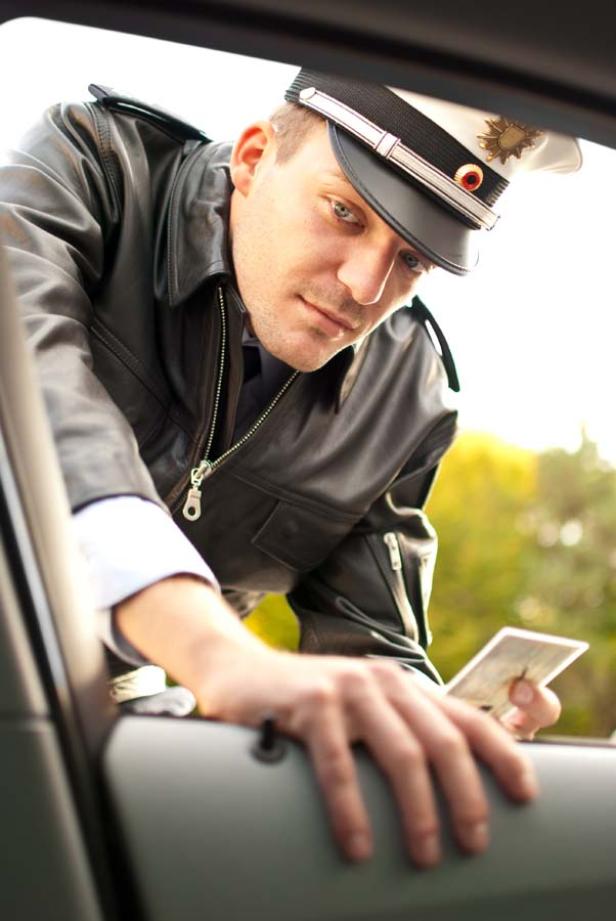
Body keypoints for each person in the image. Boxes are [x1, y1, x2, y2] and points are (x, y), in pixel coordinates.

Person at [0, 67, 580, 869]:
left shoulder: (410, 396)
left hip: (117, 722)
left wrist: (434, 724)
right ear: (251, 155)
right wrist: (217, 656)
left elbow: (371, 643)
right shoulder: (96, 166)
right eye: (345, 212)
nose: (363, 288)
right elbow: (25, 384)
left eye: (412, 262)